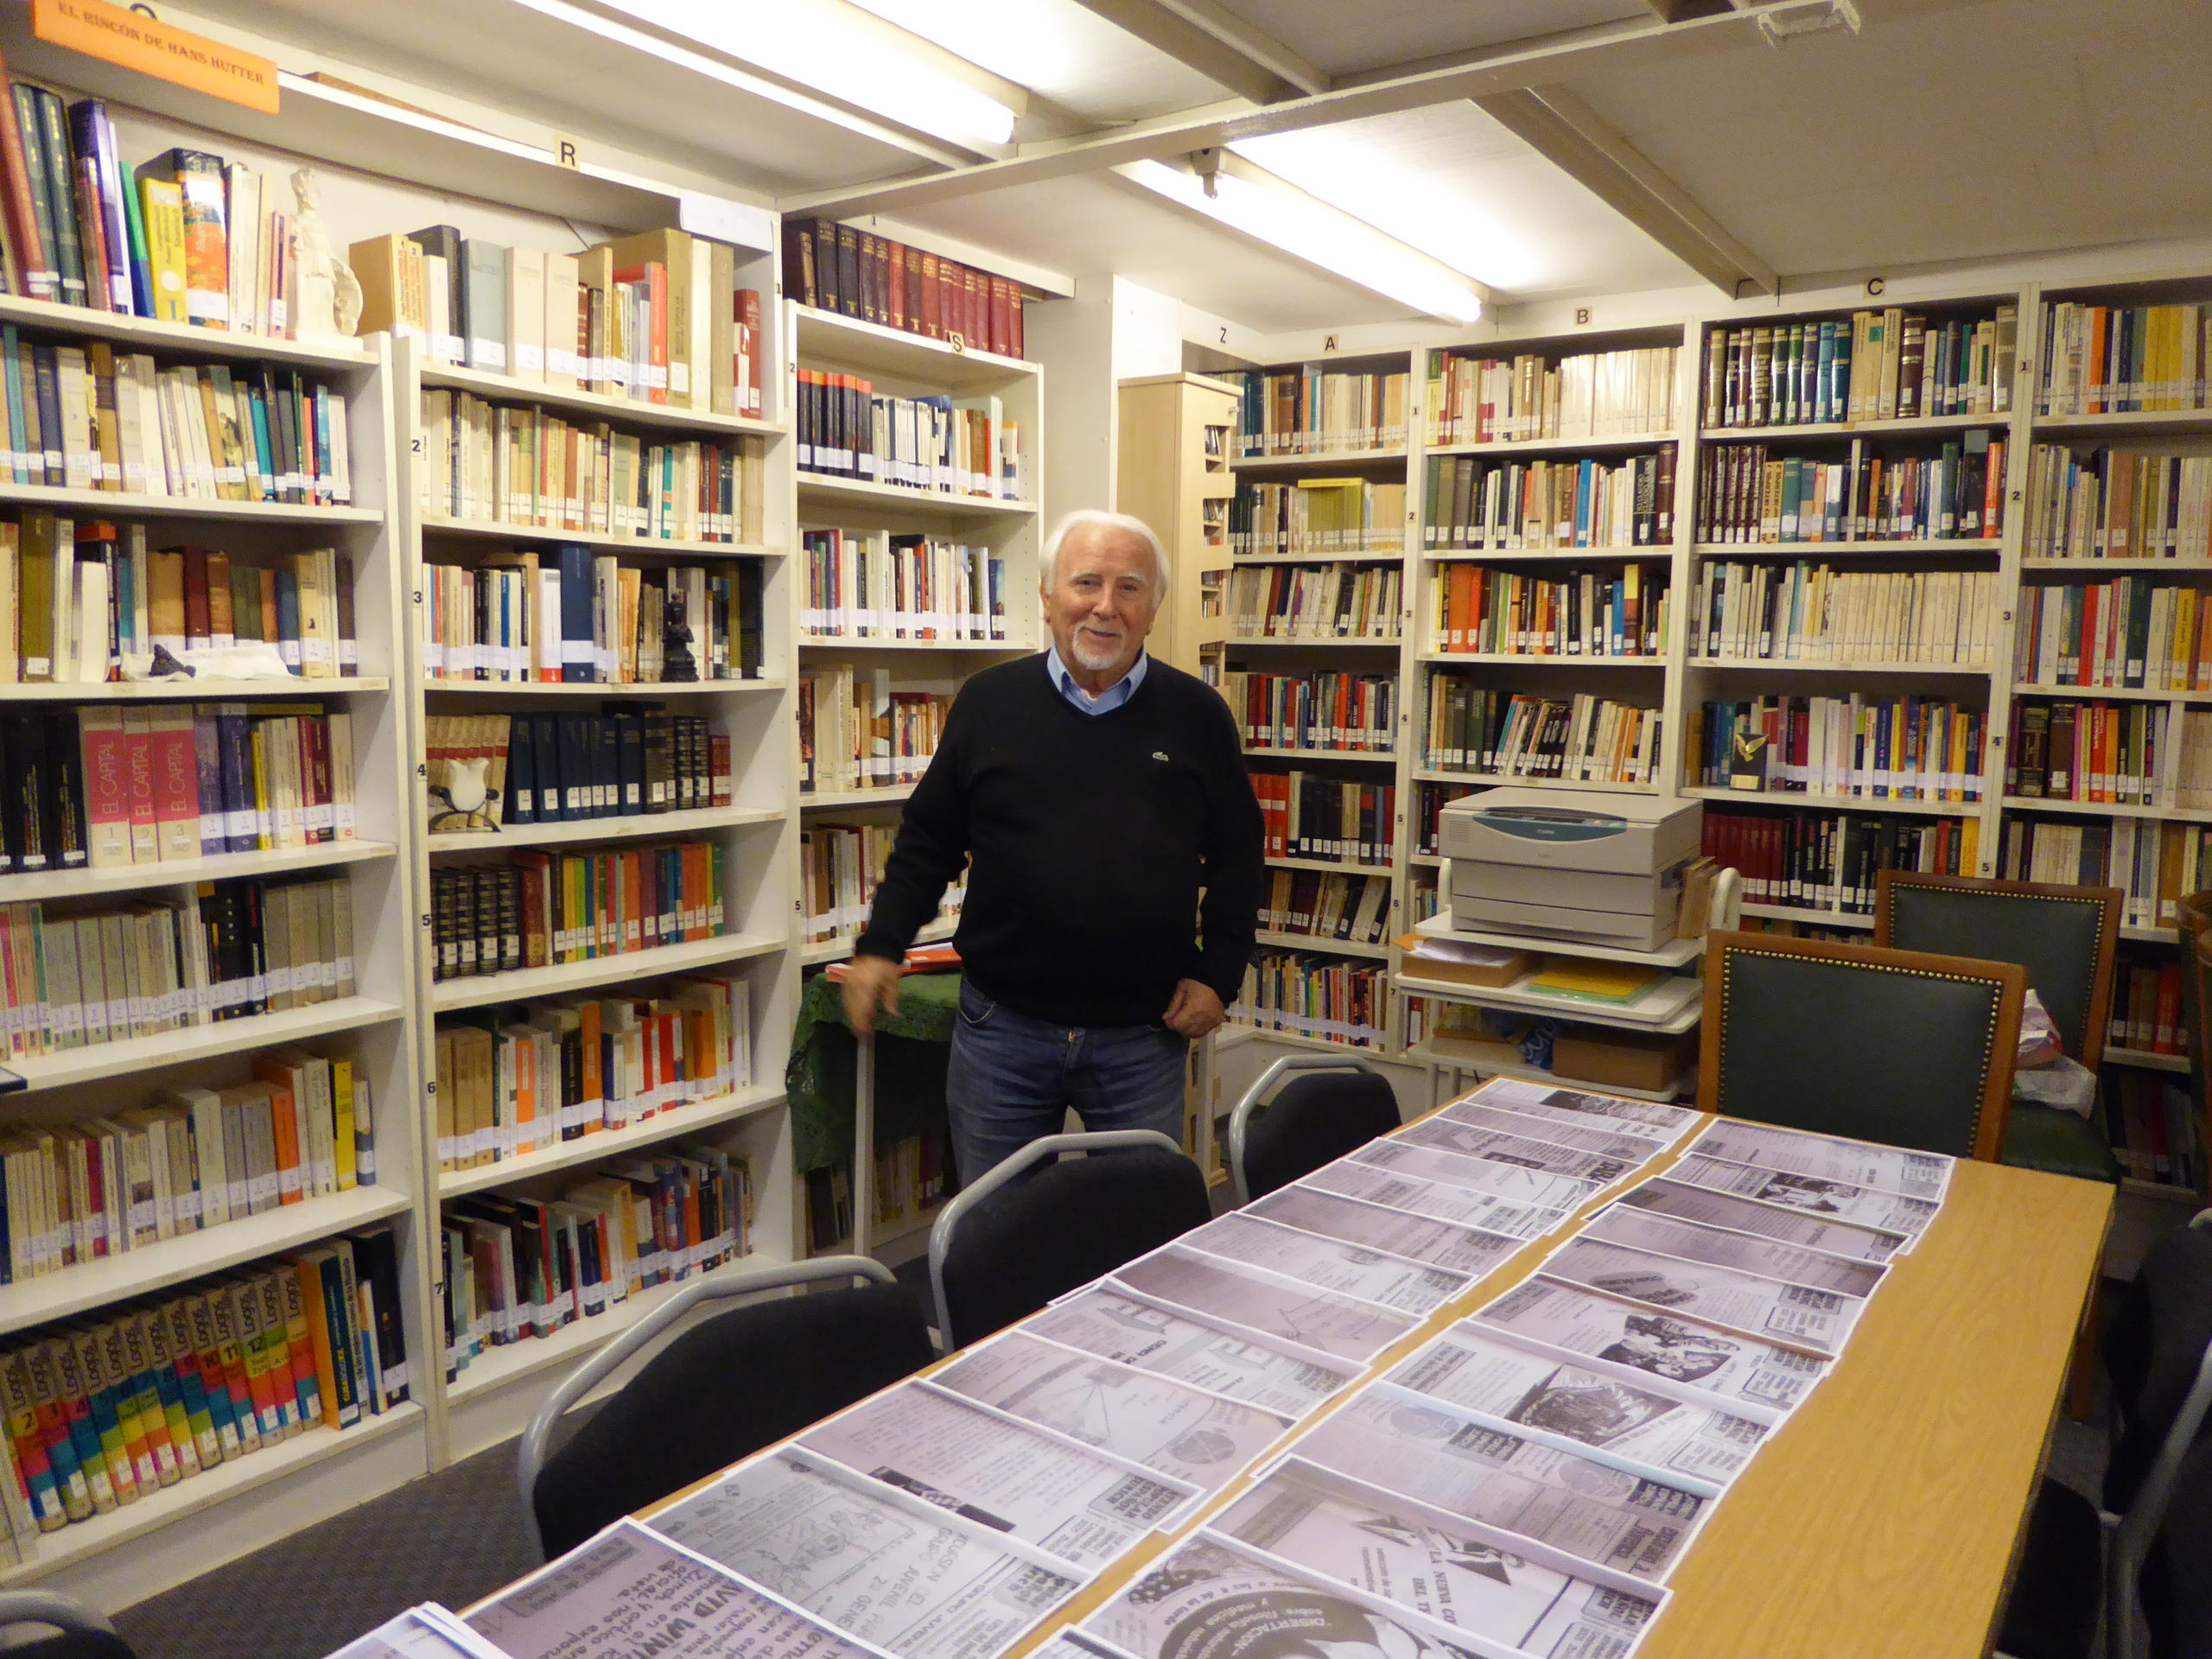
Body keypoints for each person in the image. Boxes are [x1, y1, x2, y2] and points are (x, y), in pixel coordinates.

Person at [842, 508, 1263, 1184]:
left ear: (1153, 608)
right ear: (1046, 597)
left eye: (1130, 587)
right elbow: (930, 839)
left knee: (1135, 1233)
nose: (1105, 606)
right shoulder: (988, 703)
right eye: (1085, 583)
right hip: (1002, 1030)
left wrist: (1219, 976)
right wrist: (882, 945)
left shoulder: (1196, 715)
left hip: (1141, 1031)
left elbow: (1240, 860)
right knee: (994, 1227)